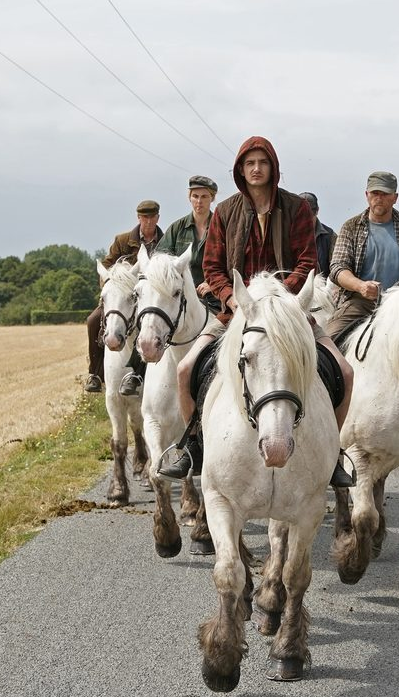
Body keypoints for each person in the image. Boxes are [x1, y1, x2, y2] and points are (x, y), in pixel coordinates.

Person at [157, 136, 354, 487]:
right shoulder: (225, 212)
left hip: (289, 313)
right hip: (235, 314)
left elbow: (308, 261)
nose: (256, 169)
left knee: (345, 372)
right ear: (240, 169)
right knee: (186, 369)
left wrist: (278, 299)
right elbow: (213, 267)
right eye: (250, 163)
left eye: (262, 162)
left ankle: (334, 454)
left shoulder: (297, 209)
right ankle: (194, 447)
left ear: (273, 167)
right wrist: (231, 299)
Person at [324, 171, 399, 345]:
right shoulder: (351, 227)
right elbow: (337, 269)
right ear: (366, 195)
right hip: (362, 301)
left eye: (385, 194)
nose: (379, 198)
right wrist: (361, 286)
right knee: (328, 341)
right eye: (375, 193)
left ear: (395, 197)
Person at [83, 199, 164, 394]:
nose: (149, 221)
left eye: (152, 217)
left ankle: (142, 375)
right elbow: (107, 266)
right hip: (121, 298)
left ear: (157, 218)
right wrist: (116, 287)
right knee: (93, 321)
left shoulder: (165, 241)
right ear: (139, 218)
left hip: (150, 298)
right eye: (145, 217)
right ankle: (95, 374)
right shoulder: (122, 240)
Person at [158, 175, 219, 310]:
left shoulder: (222, 227)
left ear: (212, 198)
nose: (199, 201)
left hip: (215, 300)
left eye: (204, 196)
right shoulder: (177, 228)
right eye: (195, 196)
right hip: (180, 300)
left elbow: (234, 262)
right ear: (189, 198)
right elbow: (159, 260)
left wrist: (214, 284)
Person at [301, 191, 336, 277]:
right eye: (302, 215)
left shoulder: (330, 236)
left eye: (310, 214)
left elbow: (336, 267)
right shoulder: (286, 235)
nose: (306, 220)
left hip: (322, 287)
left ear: (317, 211)